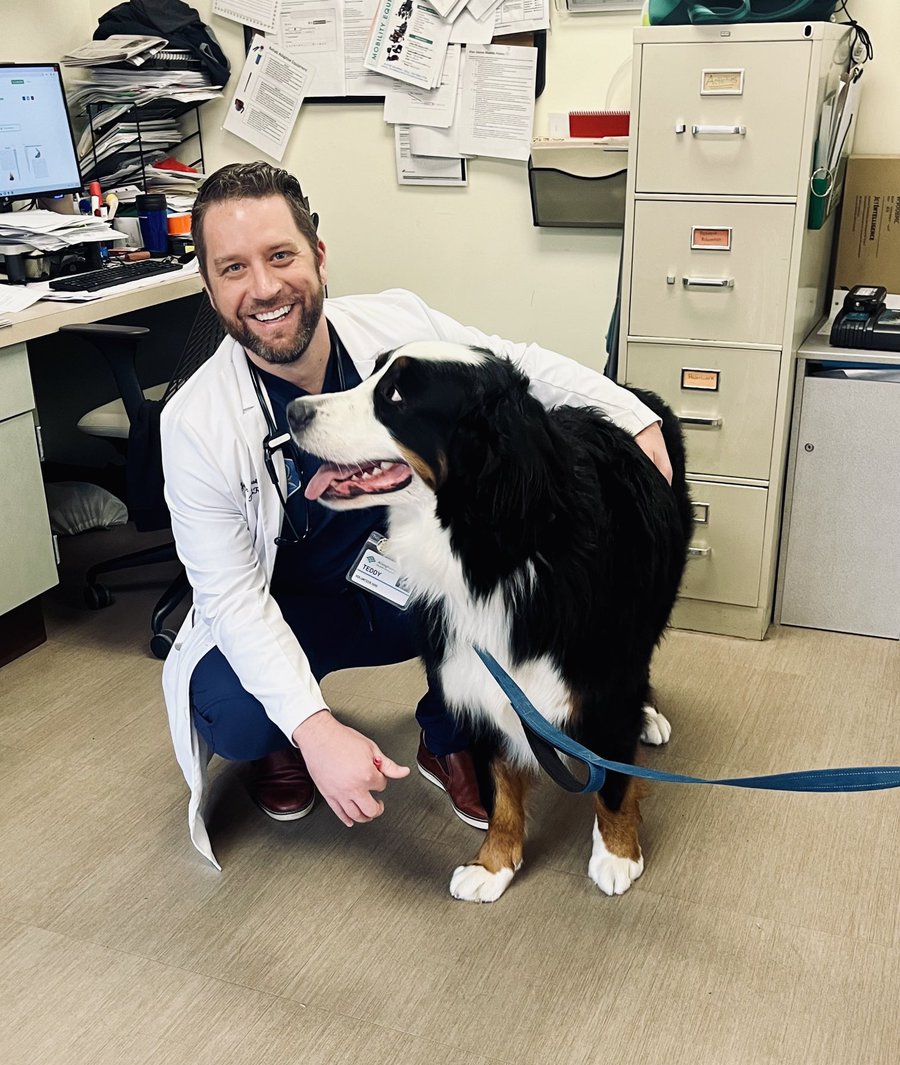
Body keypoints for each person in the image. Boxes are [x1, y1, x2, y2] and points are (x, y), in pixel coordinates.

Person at [160, 161, 674, 869]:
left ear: (318, 254)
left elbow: (509, 369)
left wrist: (634, 415)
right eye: (233, 268)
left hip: (405, 580)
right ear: (210, 289)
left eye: (281, 255)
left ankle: (449, 732)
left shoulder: (396, 325)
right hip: (296, 605)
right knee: (234, 708)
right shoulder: (194, 425)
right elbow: (229, 598)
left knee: (481, 606)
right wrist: (314, 729)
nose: (265, 287)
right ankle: (282, 745)